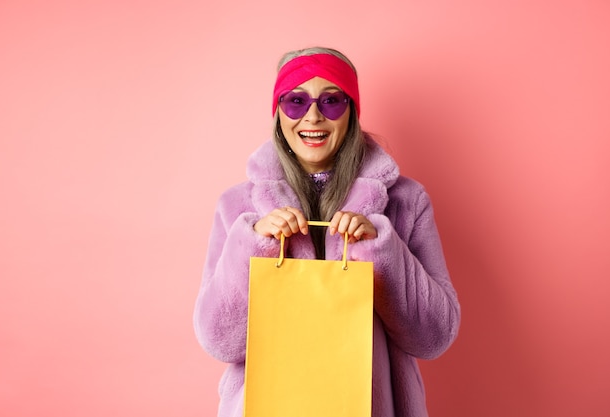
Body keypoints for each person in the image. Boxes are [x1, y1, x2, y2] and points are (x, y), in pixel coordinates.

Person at [194, 46, 460, 417]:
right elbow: (218, 340)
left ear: (351, 111)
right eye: (296, 101)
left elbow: (435, 336)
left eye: (331, 101)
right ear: (278, 113)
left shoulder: (406, 202)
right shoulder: (238, 207)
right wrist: (257, 248)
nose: (313, 116)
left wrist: (380, 250)